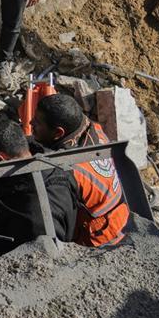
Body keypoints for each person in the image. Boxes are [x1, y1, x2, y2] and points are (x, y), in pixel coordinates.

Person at [0, 119, 78, 260]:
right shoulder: (55, 163)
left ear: (0, 158)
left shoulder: (28, 203)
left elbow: (33, 257)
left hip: (35, 257)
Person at [32, 93, 128, 247]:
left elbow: (57, 216)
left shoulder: (71, 170)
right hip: (120, 213)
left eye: (37, 123)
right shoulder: (92, 128)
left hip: (101, 234)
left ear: (58, 133)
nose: (31, 123)